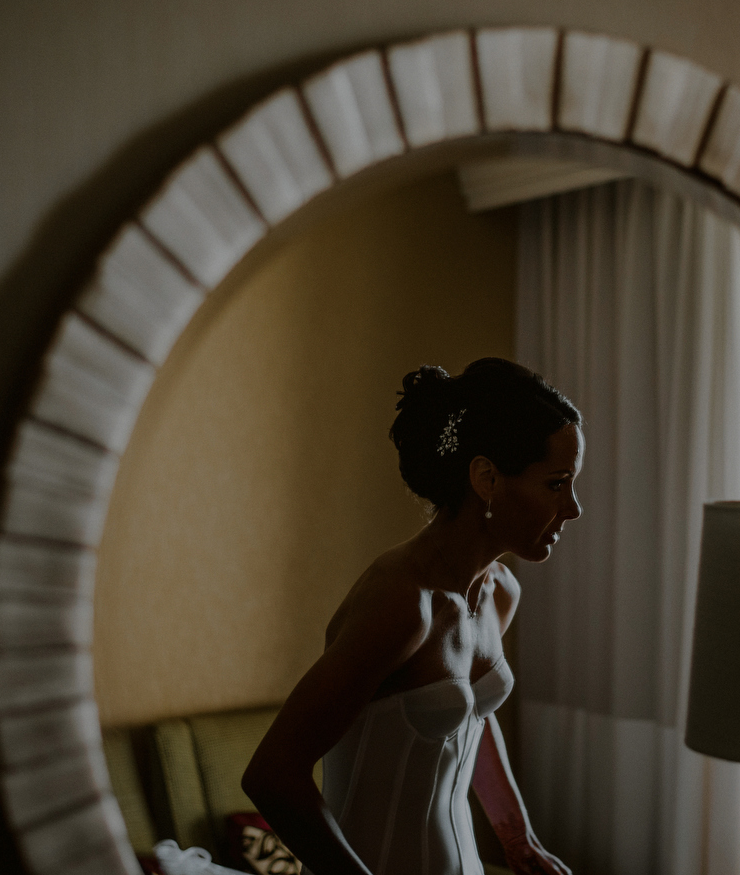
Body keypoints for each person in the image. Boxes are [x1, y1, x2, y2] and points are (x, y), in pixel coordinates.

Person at [242, 358, 583, 875]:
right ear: (487, 478)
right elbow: (272, 775)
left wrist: (518, 838)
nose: (574, 508)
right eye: (556, 484)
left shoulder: (500, 593)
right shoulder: (402, 602)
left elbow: (470, 715)